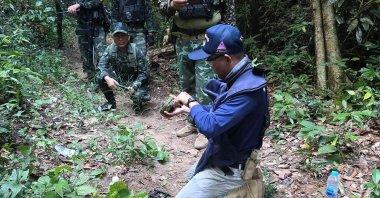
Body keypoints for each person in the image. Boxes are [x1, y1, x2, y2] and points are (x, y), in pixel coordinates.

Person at [163, 24, 269, 197]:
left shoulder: (247, 90)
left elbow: (210, 126)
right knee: (191, 176)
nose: (210, 66)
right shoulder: (242, 76)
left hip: (232, 167)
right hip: (224, 154)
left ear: (227, 58)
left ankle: (240, 188)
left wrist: (191, 101)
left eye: (211, 61)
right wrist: (187, 109)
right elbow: (219, 110)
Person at [158, 0, 237, 149]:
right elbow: (162, 9)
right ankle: (192, 121)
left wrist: (229, 42)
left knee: (205, 86)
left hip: (208, 41)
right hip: (182, 40)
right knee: (186, 84)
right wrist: (171, 5)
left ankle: (205, 128)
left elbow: (230, 14)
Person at [97, 22, 150, 111]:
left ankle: (138, 101)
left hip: (134, 81)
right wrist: (107, 78)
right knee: (101, 77)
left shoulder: (135, 50)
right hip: (119, 80)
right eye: (117, 36)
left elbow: (144, 73)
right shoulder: (110, 49)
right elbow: (101, 66)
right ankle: (111, 103)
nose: (120, 39)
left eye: (123, 36)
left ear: (128, 37)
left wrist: (135, 86)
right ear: (113, 38)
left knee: (138, 97)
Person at [67, 0, 109, 80]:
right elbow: (74, 8)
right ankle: (91, 76)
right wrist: (72, 9)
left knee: (101, 53)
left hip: (98, 25)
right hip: (83, 25)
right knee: (85, 52)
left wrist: (79, 5)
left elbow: (97, 2)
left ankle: (103, 77)